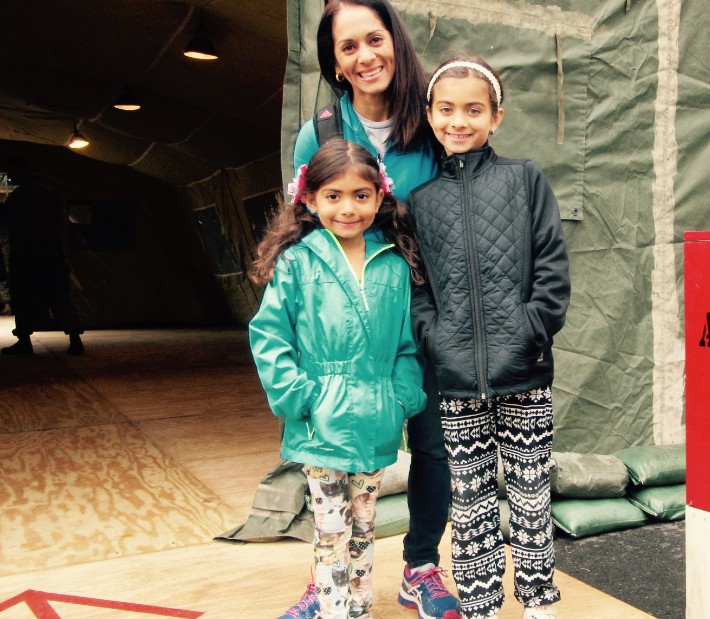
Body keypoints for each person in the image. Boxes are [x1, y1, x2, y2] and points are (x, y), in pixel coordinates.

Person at [281, 2, 460, 619]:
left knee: (433, 443)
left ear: (395, 41)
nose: (366, 56)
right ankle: (326, 575)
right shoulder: (322, 133)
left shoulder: (436, 121)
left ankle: (421, 567)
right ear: (334, 61)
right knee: (331, 451)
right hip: (349, 320)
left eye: (374, 39)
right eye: (348, 46)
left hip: (428, 310)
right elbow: (302, 228)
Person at [410, 57, 571, 619]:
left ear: (496, 117)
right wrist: (435, 338)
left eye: (473, 109)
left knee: (530, 496)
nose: (460, 120)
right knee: (470, 499)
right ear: (431, 117)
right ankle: (479, 605)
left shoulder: (524, 178)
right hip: (455, 381)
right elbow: (420, 286)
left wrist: (533, 328)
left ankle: (538, 603)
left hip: (524, 371)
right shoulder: (422, 202)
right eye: (447, 109)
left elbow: (552, 264)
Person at [249, 139, 427, 619]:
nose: (348, 208)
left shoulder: (393, 263)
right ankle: (332, 611)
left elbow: (407, 346)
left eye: (360, 195)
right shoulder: (298, 263)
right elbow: (269, 334)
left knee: (366, 526)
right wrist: (297, 397)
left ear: (379, 197)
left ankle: (359, 608)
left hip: (376, 420)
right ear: (308, 199)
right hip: (319, 425)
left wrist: (402, 396)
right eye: (333, 195)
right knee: (330, 531)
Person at [0, 156, 83, 356]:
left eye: (12, 173)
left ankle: (25, 341)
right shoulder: (48, 192)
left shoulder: (22, 196)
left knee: (24, 299)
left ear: (22, 171)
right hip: (50, 255)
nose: (10, 178)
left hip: (28, 256)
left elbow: (9, 219)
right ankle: (74, 339)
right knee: (59, 297)